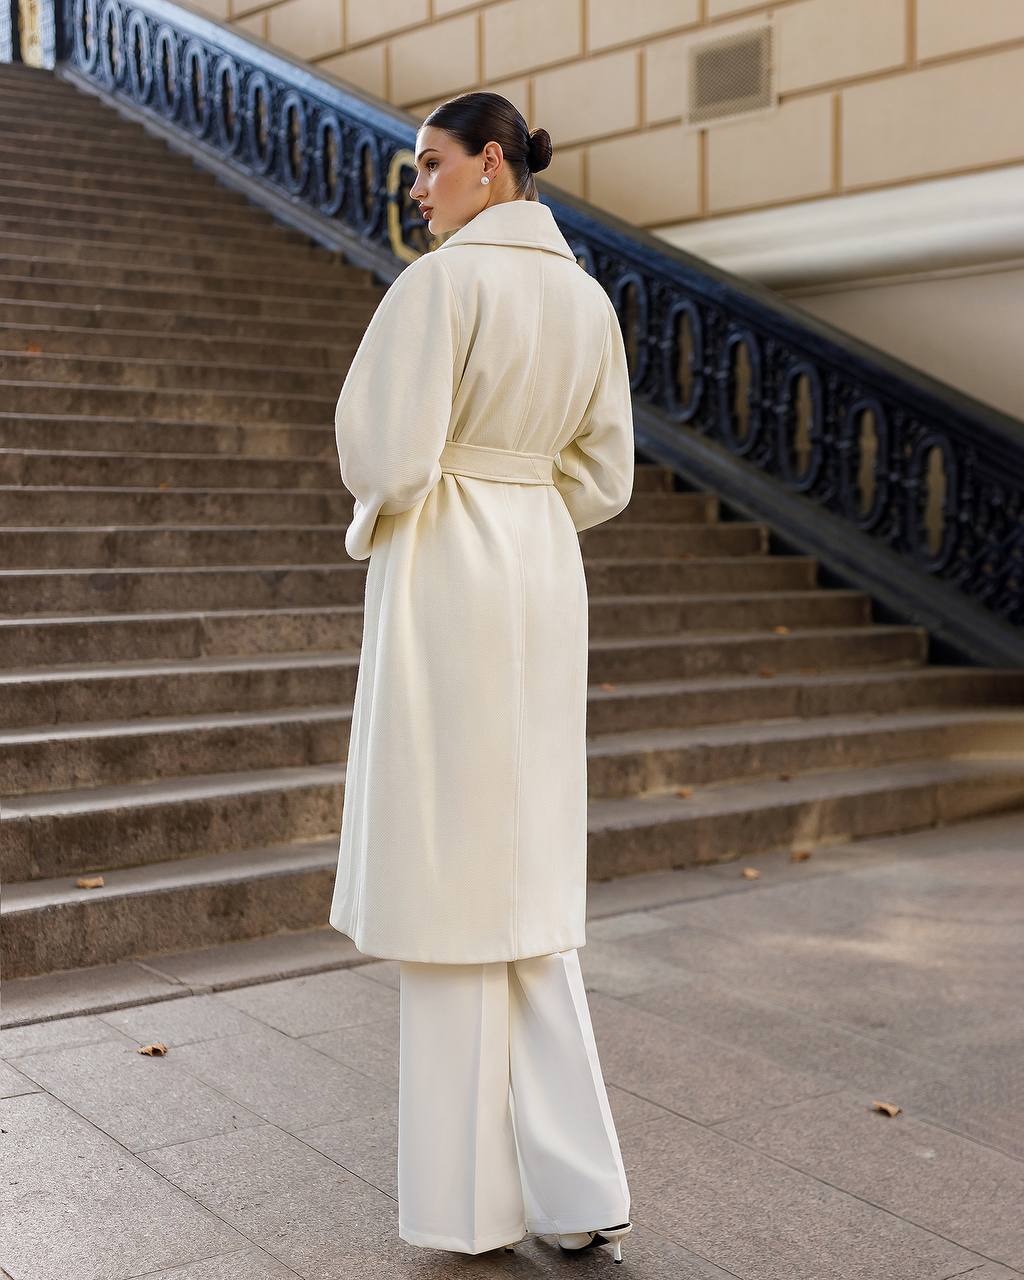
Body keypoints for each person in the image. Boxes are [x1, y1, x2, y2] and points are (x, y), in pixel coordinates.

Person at [327, 90, 636, 1263]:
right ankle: (581, 1186)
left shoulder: (440, 286)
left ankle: (467, 1208)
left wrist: (439, 502)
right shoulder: (586, 300)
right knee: (527, 889)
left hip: (452, 573)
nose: (418, 185)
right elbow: (602, 475)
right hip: (541, 576)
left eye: (430, 163)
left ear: (490, 166)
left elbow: (385, 454)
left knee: (455, 886)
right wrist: (522, 505)